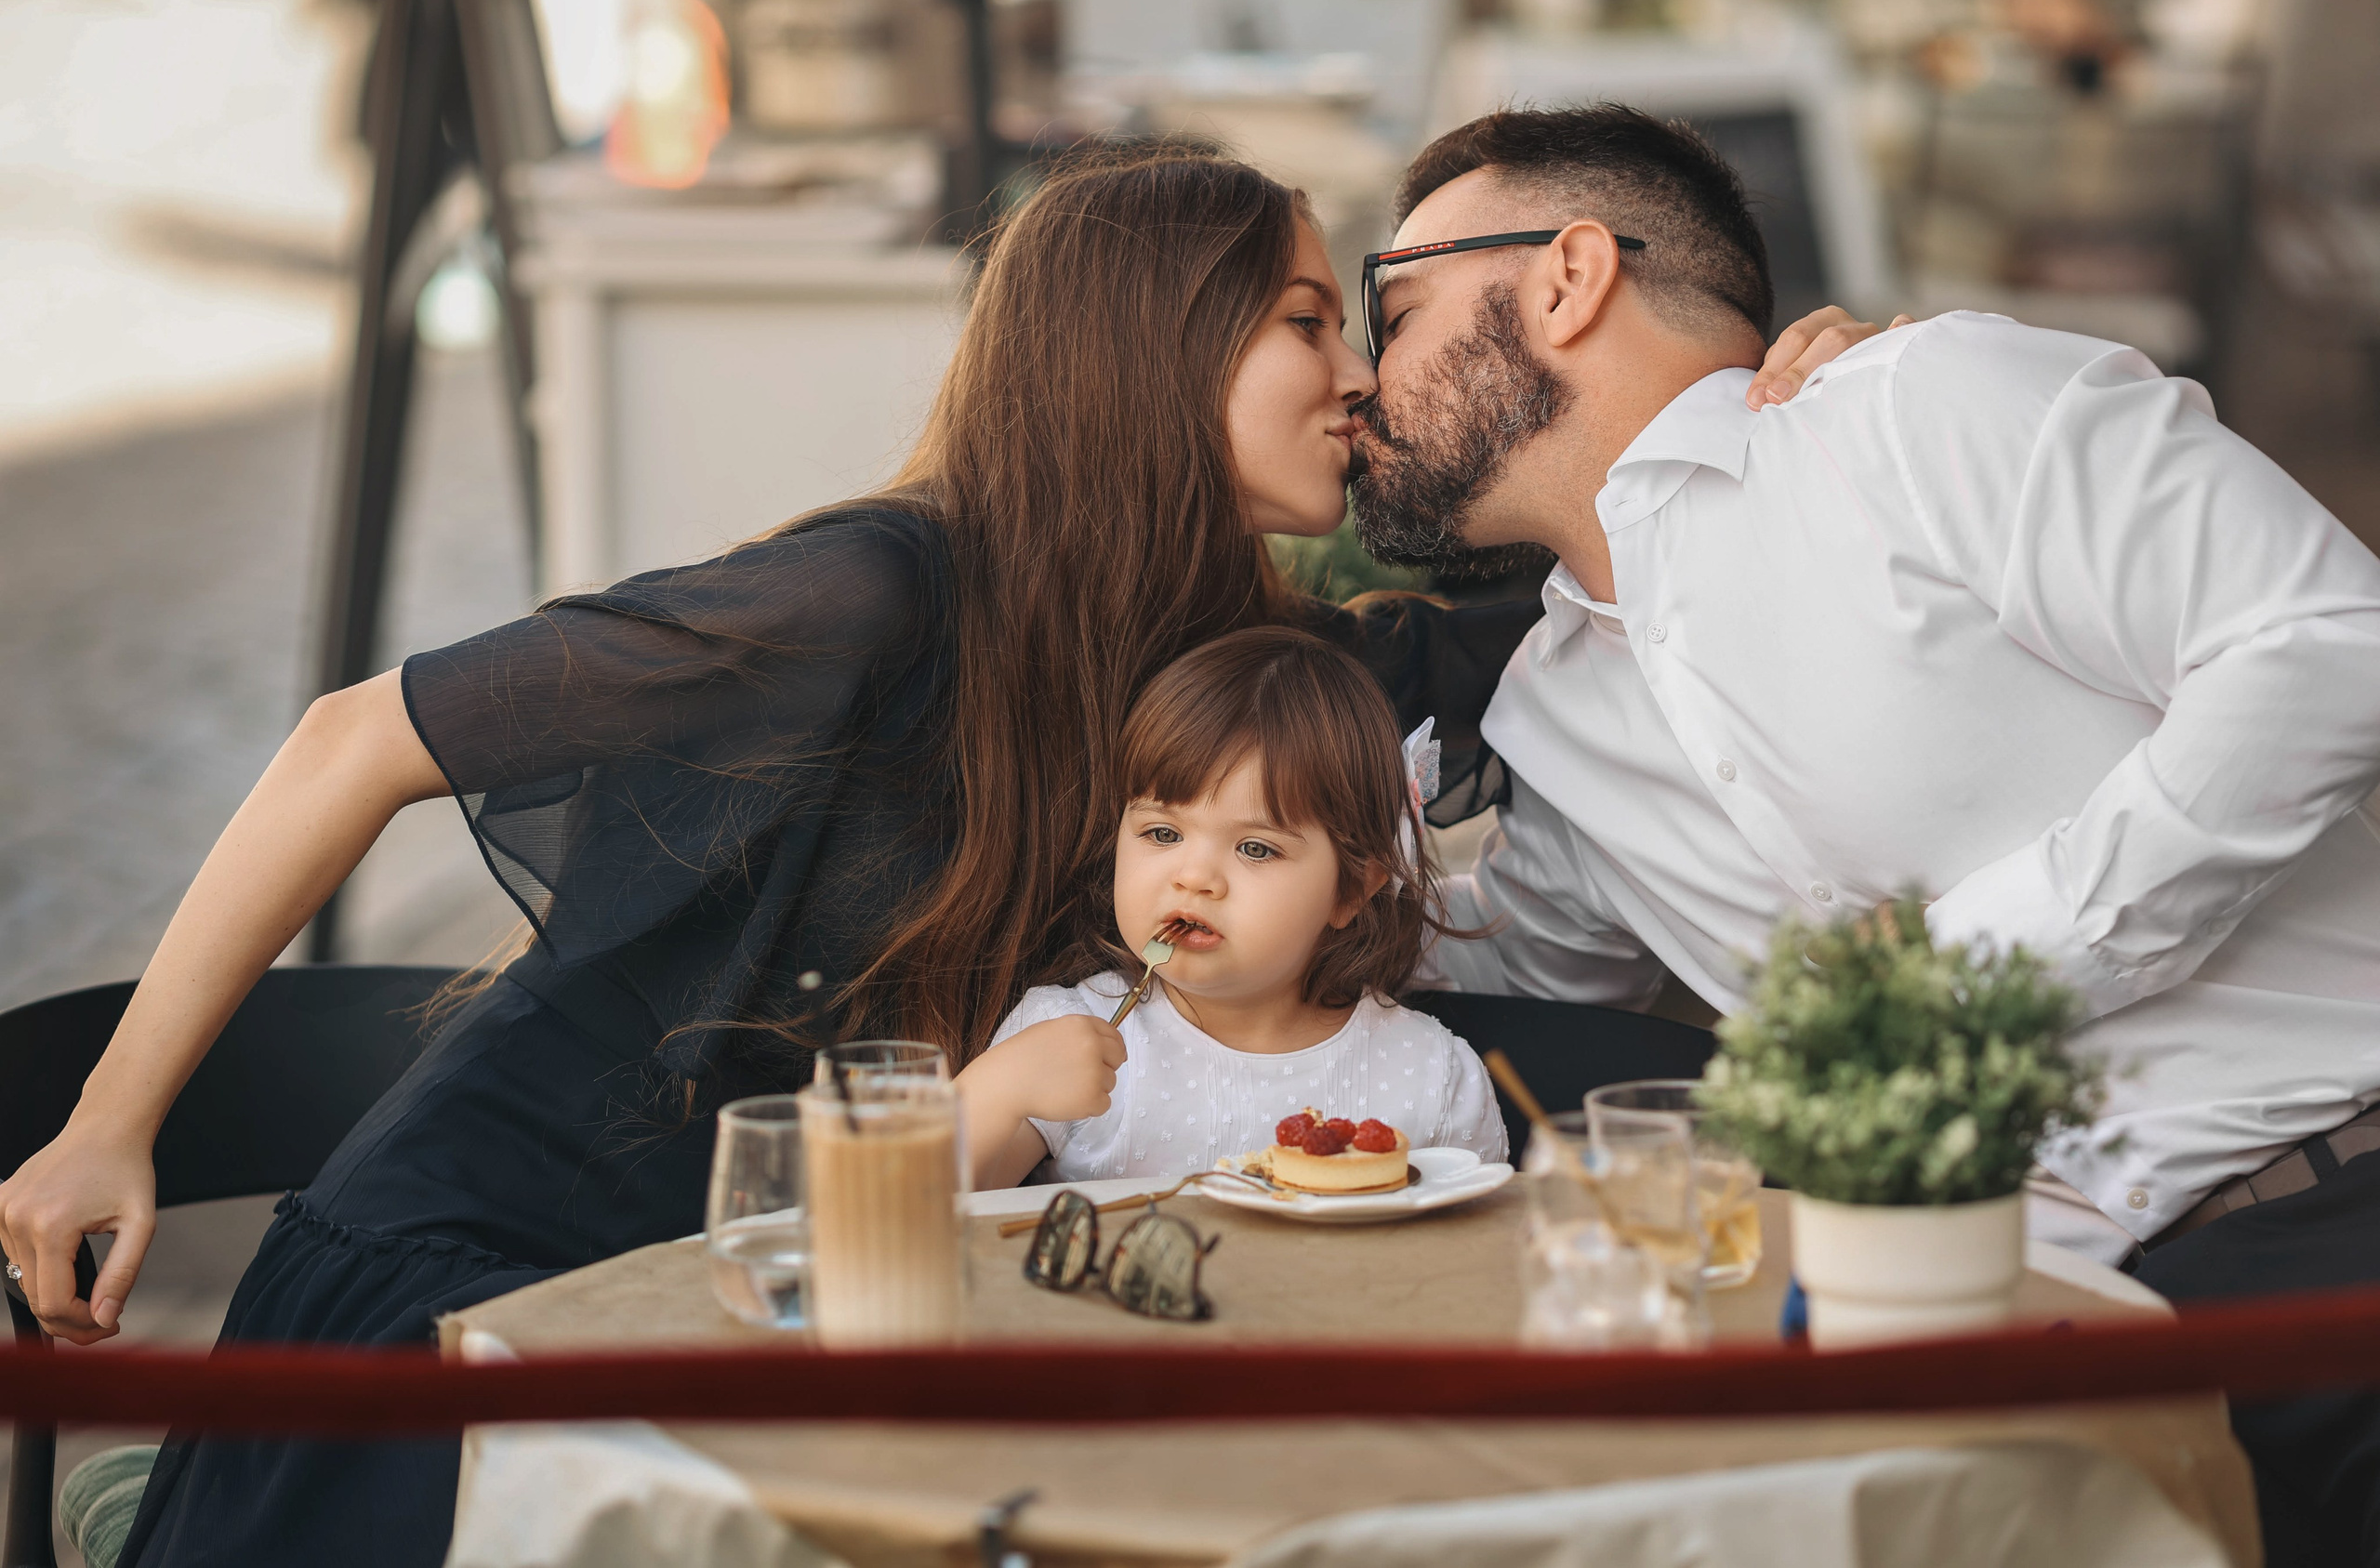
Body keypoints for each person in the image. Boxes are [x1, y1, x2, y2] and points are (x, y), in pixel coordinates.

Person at [0, 137, 1891, 1567]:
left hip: (770, 1320)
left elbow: (1608, 571)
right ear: (1159, 348)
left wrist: (1773, 408)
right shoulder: (873, 590)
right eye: (1311, 318)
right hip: (474, 1312)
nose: (1356, 373)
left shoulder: (1252, 669)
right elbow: (352, 740)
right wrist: (108, 1119)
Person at [1355, 105, 2380, 1565]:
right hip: (2023, 1361)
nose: (1359, 372)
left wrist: (1964, 976)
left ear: (1568, 277)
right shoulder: (1553, 725)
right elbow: (1440, 982)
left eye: (1393, 309)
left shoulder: (1916, 411)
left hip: (2345, 1209)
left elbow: (2331, 645)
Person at [958, 626, 1504, 1189]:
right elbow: (917, 1221)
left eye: (1255, 848)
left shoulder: (1431, 1077)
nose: (1193, 877)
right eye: (1163, 832)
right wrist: (994, 1093)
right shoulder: (1064, 1035)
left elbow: (1479, 1255)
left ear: (1351, 891)